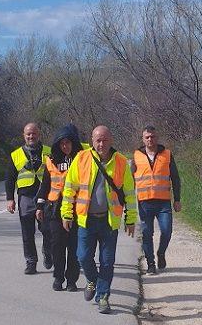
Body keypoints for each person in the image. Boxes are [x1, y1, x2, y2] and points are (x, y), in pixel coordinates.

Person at [61, 125, 137, 314]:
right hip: (86, 220)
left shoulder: (121, 162)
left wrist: (130, 219)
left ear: (111, 140)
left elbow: (129, 192)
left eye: (104, 140)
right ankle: (92, 280)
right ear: (92, 141)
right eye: (98, 140)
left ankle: (103, 296)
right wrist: (66, 213)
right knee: (82, 256)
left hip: (109, 222)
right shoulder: (82, 158)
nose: (101, 144)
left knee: (107, 262)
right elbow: (69, 188)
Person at [36, 124, 83, 292]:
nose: (65, 146)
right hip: (55, 209)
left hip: (76, 208)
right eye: (62, 143)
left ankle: (71, 280)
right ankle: (58, 277)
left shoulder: (81, 159)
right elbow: (45, 185)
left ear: (73, 143)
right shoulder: (51, 160)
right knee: (57, 245)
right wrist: (39, 206)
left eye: (68, 142)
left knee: (74, 247)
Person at [132, 125, 181, 275]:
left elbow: (175, 178)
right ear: (143, 139)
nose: (150, 139)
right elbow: (129, 180)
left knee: (166, 231)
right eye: (147, 137)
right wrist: (127, 201)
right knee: (147, 234)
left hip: (163, 202)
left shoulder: (167, 154)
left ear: (157, 138)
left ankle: (161, 252)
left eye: (152, 137)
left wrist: (177, 199)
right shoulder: (136, 156)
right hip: (144, 202)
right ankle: (151, 264)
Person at [5, 122, 52, 274]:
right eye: (28, 134)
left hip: (46, 197)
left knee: (48, 229)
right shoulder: (15, 155)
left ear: (39, 134)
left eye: (34, 133)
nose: (31, 136)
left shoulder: (49, 152)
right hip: (25, 197)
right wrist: (10, 199)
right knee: (27, 232)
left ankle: (48, 252)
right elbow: (10, 179)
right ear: (24, 136)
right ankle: (31, 262)